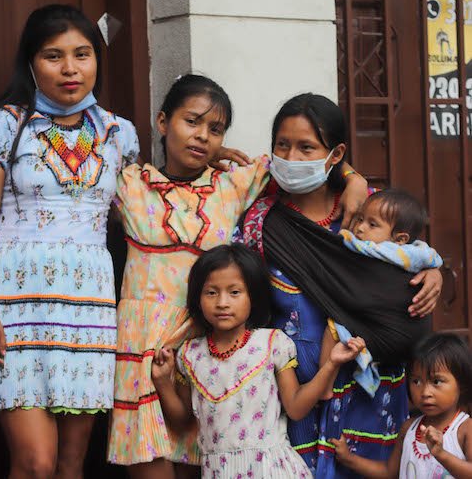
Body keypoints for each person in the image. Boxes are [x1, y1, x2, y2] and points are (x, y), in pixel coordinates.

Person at [107, 75, 368, 477]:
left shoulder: (233, 185)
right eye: (191, 122)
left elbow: (307, 154)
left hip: (210, 344)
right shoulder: (128, 185)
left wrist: (354, 178)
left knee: (212, 460)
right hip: (143, 345)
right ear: (162, 122)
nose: (202, 136)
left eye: (215, 129)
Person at [236, 93, 443, 477]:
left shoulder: (370, 212)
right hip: (299, 392)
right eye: (283, 145)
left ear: (336, 154)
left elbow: (410, 253)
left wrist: (434, 272)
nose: (292, 158)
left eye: (307, 147)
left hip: (372, 393)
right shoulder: (262, 222)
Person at [0, 4, 139, 478]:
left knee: (70, 466)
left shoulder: (118, 133)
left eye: (82, 55)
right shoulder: (3, 125)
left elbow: (141, 213)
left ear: (97, 61)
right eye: (53, 56)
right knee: (35, 463)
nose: (70, 69)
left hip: (88, 307)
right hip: (14, 307)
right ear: (30, 63)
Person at [151, 243, 366, 479]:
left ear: (253, 297)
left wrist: (331, 364)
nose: (222, 302)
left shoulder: (271, 344)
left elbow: (295, 407)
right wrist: (162, 382)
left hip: (271, 470)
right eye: (211, 292)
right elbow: (182, 423)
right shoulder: (190, 355)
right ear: (197, 298)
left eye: (235, 292)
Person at [320, 188, 443, 398]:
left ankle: (324, 387)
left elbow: (344, 244)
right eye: (360, 219)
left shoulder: (378, 250)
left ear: (400, 238)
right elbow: (432, 259)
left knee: (334, 328)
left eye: (372, 224)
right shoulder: (418, 253)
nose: (360, 228)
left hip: (396, 334)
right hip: (395, 338)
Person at [332, 332, 472, 478]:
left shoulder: (465, 429)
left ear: (461, 384)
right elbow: (389, 472)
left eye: (436, 381)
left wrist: (441, 454)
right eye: (416, 381)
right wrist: (349, 459)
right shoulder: (408, 428)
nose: (425, 392)